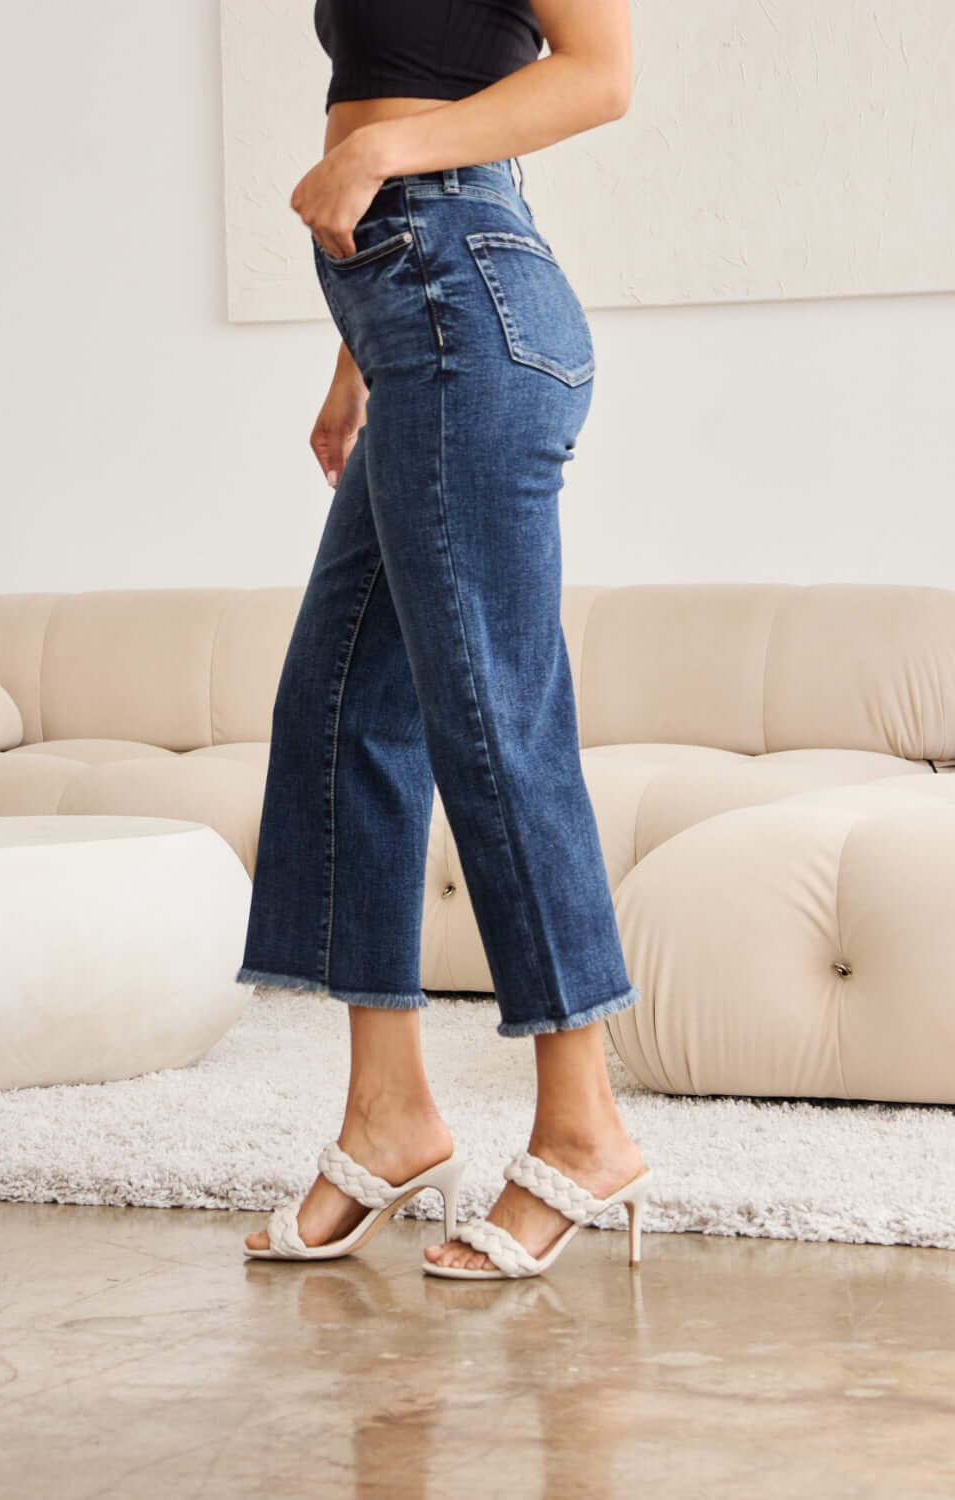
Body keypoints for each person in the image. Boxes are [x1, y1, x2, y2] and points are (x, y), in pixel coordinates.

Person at [237, 0, 652, 1278]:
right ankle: (390, 1112)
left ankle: (583, 1129)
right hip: (410, 319)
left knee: (489, 712)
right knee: (342, 708)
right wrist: (356, 361)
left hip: (466, 302)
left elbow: (598, 77)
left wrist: (379, 156)